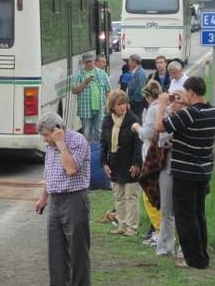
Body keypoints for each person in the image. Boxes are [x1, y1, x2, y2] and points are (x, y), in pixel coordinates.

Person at [155, 76, 215, 269]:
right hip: (202, 172)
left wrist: (161, 106)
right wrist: (184, 102)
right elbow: (193, 130)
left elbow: (160, 127)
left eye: (185, 93)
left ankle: (194, 259)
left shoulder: (188, 115)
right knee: (198, 214)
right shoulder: (214, 112)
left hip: (185, 173)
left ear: (191, 92)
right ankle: (202, 254)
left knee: (185, 217)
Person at [34, 112, 91, 286]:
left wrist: (60, 144)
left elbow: (71, 168)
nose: (45, 140)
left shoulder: (77, 141)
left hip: (74, 198)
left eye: (46, 135)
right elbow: (49, 173)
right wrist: (44, 197)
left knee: (77, 251)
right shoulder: (50, 146)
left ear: (57, 130)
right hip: (55, 201)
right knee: (56, 251)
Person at [101, 89, 142, 236]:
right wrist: (104, 163)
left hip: (130, 162)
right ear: (112, 106)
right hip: (114, 162)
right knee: (118, 196)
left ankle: (132, 227)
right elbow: (103, 143)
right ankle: (122, 225)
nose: (122, 107)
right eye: (119, 104)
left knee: (130, 196)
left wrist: (137, 163)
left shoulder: (133, 119)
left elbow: (138, 143)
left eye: (124, 103)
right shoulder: (107, 120)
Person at [154, 89, 189, 257]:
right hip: (168, 165)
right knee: (166, 208)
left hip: (185, 167)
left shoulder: (190, 117)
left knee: (183, 210)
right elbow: (160, 137)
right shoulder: (170, 118)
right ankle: (165, 247)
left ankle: (184, 248)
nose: (173, 104)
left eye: (177, 101)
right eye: (172, 100)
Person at [132, 80, 164, 246]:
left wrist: (137, 127)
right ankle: (160, 230)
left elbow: (148, 133)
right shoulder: (165, 106)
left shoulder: (153, 109)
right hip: (161, 157)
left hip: (150, 157)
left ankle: (158, 230)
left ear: (148, 96)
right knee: (158, 195)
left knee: (149, 196)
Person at [72, 53, 111, 142]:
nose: (89, 63)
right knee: (86, 132)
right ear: (83, 63)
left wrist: (108, 104)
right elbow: (74, 90)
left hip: (100, 107)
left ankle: (97, 151)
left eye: (91, 61)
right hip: (85, 109)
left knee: (99, 131)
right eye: (87, 62)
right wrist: (85, 83)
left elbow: (108, 90)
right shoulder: (79, 75)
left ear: (94, 61)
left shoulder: (101, 73)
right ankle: (87, 152)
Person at [126, 54, 148, 120]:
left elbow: (140, 91)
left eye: (129, 61)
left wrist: (130, 101)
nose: (128, 63)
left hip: (136, 103)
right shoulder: (136, 72)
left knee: (136, 120)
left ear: (134, 62)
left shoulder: (140, 73)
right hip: (135, 102)